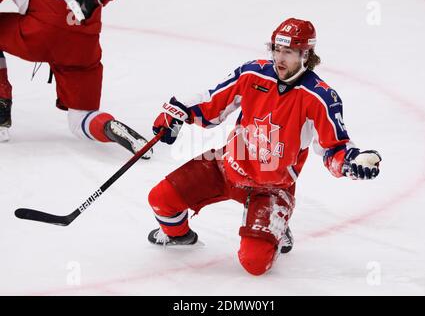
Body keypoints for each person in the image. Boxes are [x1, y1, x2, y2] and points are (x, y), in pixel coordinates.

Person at [147, 18, 382, 276]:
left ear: (306, 55)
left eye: (289, 52)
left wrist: (350, 161)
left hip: (272, 188)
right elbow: (213, 104)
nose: (279, 59)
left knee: (254, 263)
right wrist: (179, 112)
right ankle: (180, 238)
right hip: (228, 165)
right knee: (161, 199)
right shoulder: (253, 73)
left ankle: (278, 230)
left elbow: (334, 147)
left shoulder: (320, 97)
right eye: (277, 50)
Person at [0, 0, 151, 158]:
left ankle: (1, 106)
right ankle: (107, 127)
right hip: (83, 43)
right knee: (81, 119)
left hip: (40, 32)